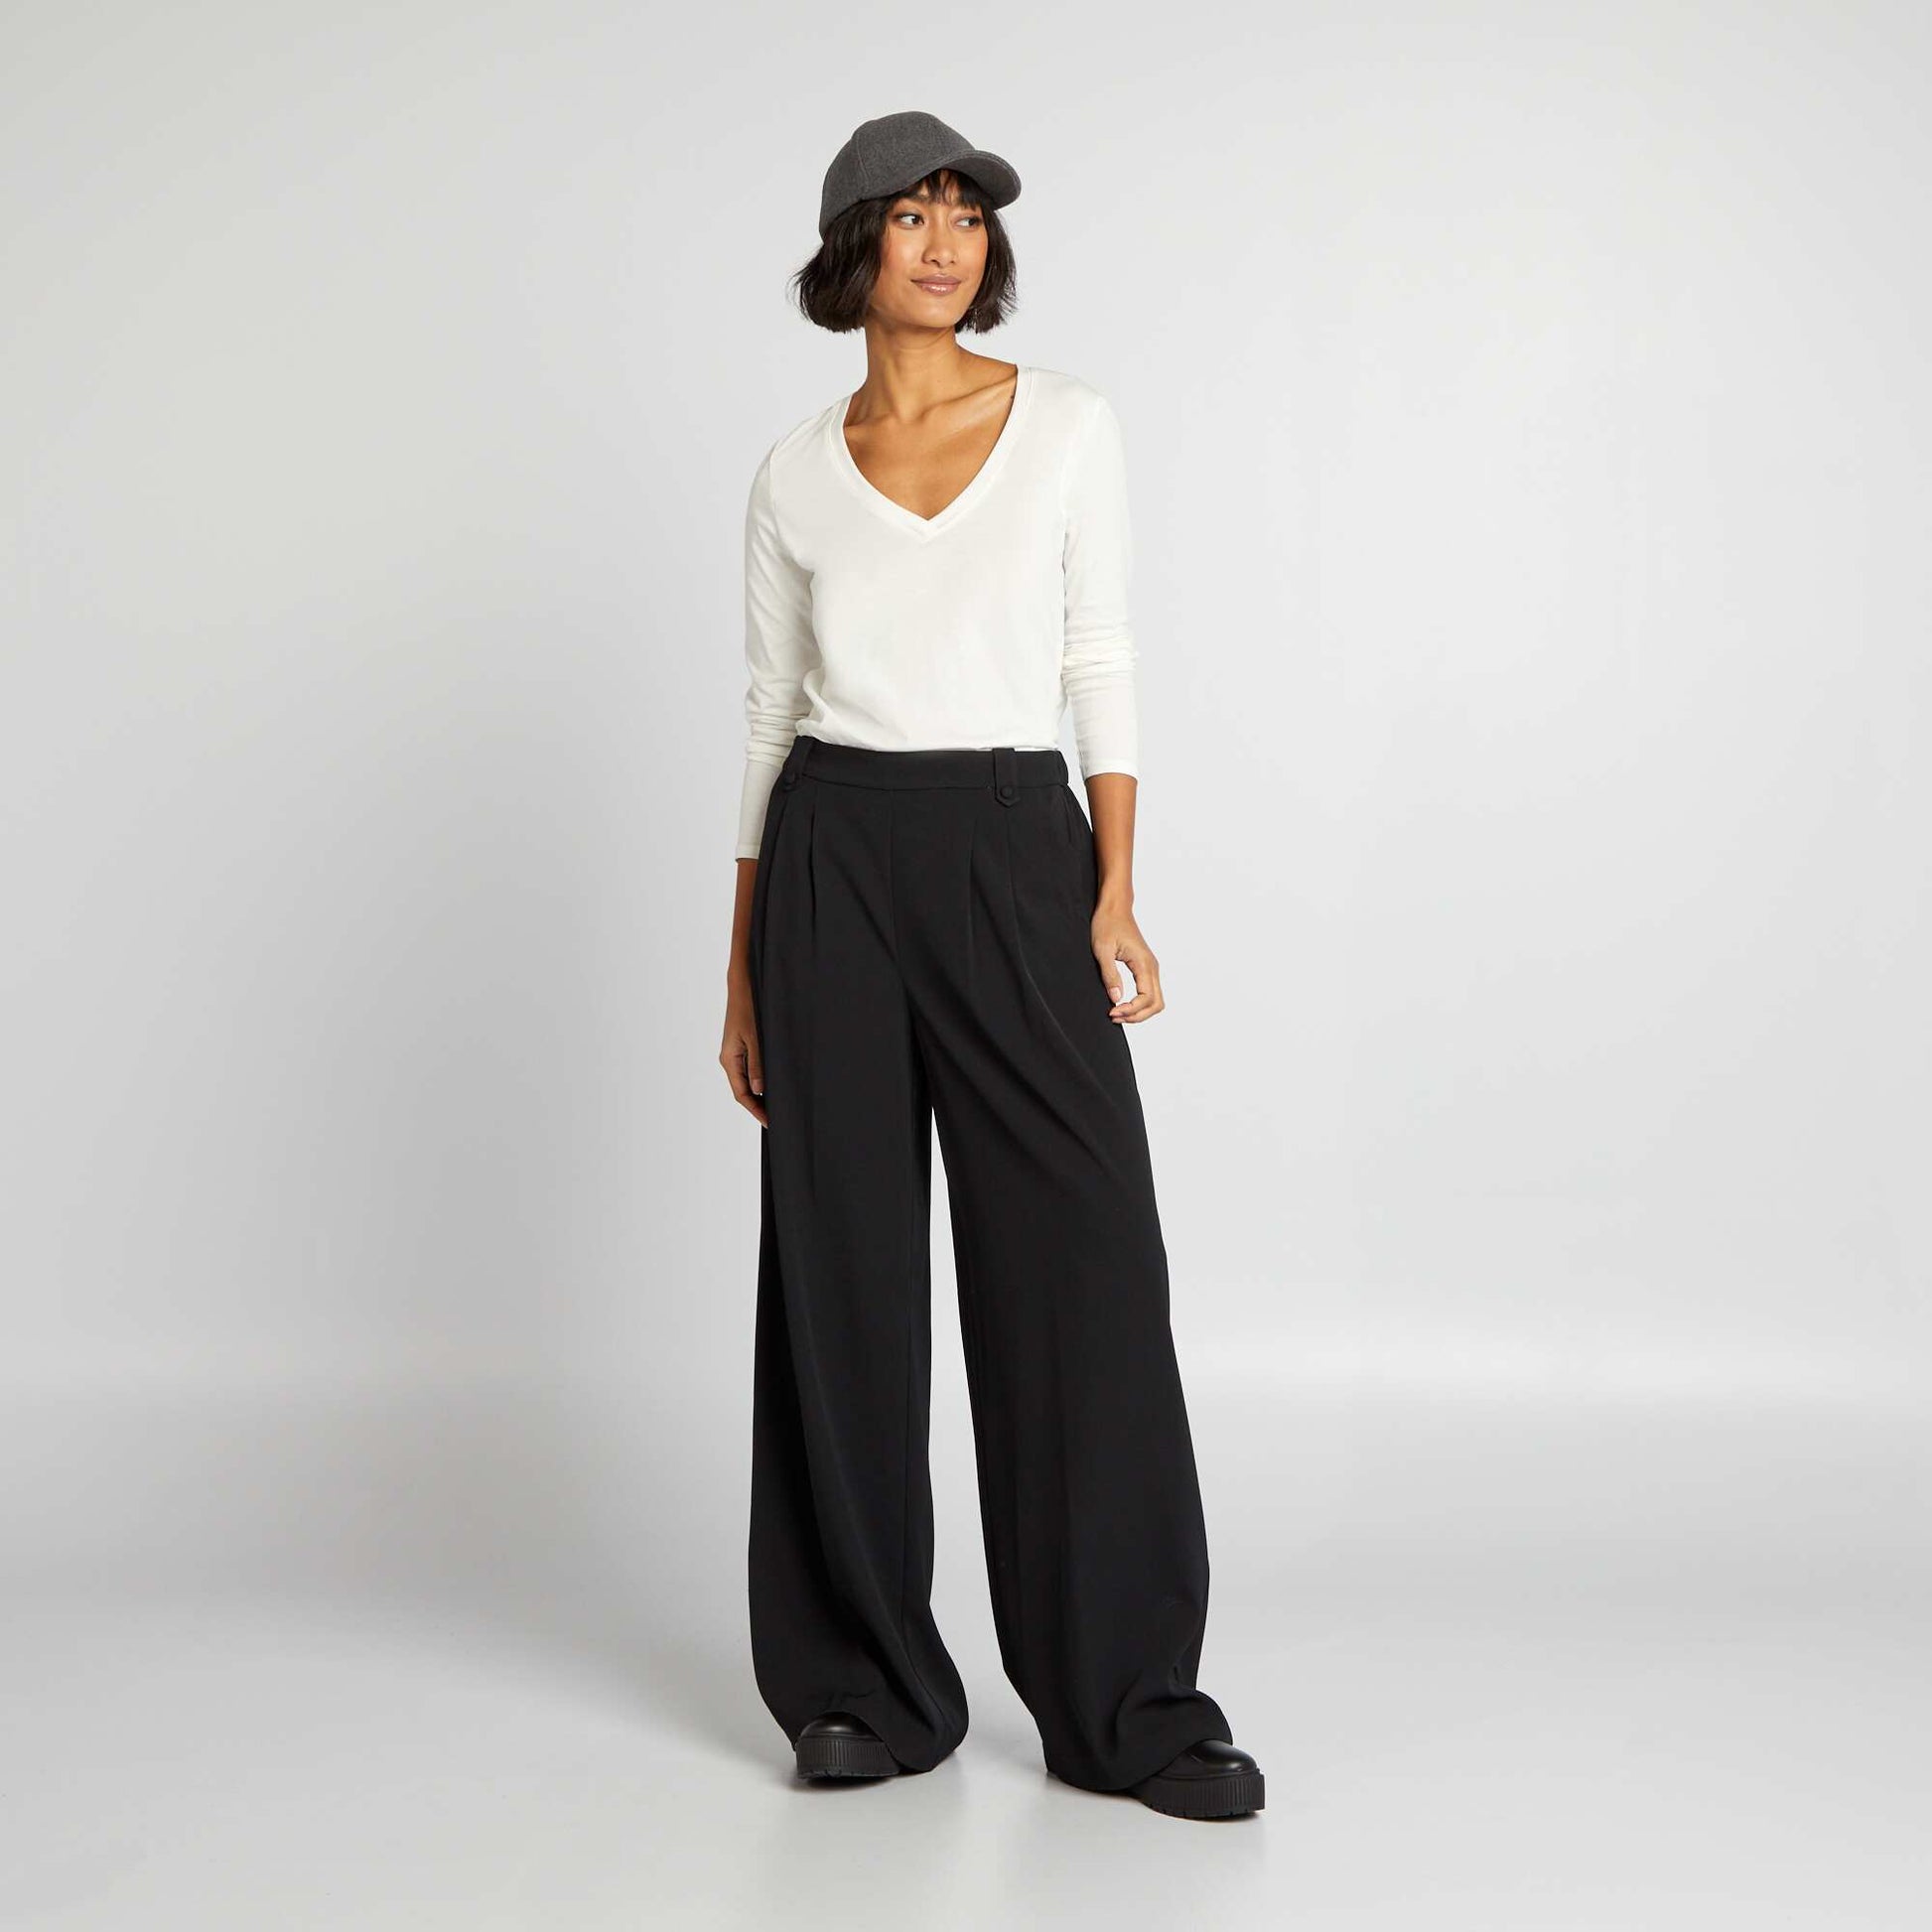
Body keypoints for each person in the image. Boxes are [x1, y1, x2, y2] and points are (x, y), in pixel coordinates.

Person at [718, 111, 1265, 1821]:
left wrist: (1114, 887)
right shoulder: (792, 474)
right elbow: (766, 715)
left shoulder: (1067, 425)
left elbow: (1099, 653)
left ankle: (1126, 1702)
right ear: (853, 248)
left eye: (965, 214)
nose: (946, 242)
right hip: (831, 854)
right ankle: (859, 1686)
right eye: (911, 215)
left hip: (1015, 847)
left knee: (1079, 1268)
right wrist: (738, 971)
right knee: (841, 1281)